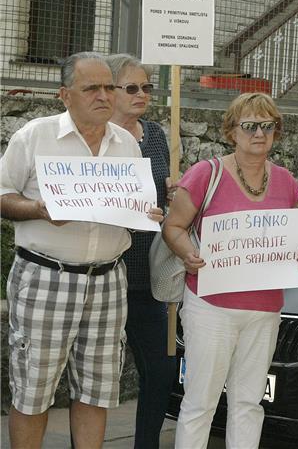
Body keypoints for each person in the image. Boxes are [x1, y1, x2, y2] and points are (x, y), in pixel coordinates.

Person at [0, 52, 163, 449]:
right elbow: (2, 195)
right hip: (45, 277)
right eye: (91, 88)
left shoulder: (125, 143)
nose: (104, 95)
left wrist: (146, 212)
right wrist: (37, 209)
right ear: (65, 95)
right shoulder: (35, 136)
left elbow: (130, 206)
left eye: (109, 86)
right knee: (34, 390)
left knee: (97, 389)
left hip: (108, 280)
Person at [162, 93, 298, 449]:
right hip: (211, 306)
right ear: (232, 131)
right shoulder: (205, 174)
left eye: (268, 126)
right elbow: (173, 227)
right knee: (200, 403)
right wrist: (189, 253)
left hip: (264, 310)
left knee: (249, 403)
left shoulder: (287, 182)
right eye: (249, 126)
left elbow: (288, 237)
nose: (259, 133)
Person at [106, 53, 176, 449]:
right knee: (95, 371)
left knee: (161, 368)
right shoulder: (94, 139)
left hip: (149, 274)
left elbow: (164, 193)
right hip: (105, 272)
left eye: (147, 87)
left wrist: (171, 200)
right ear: (109, 91)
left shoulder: (154, 134)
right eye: (131, 87)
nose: (142, 94)